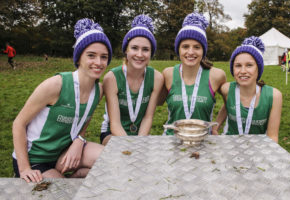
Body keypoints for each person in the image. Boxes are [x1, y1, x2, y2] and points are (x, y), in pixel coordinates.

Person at [12, 18, 112, 183]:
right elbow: (18, 123)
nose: (98, 62)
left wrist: (79, 141)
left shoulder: (99, 90)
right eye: (91, 55)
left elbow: (83, 119)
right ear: (79, 58)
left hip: (63, 152)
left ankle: (77, 175)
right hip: (36, 159)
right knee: (63, 192)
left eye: (104, 57)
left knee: (111, 160)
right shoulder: (56, 85)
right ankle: (67, 179)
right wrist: (24, 168)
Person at [100, 15, 164, 145]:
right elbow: (115, 124)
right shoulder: (111, 78)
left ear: (151, 53)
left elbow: (148, 117)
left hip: (141, 134)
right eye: (134, 48)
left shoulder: (157, 78)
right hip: (113, 134)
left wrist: (139, 142)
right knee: (122, 154)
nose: (139, 54)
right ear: (126, 51)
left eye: (145, 49)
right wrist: (132, 146)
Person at [159, 12, 226, 135]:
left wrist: (216, 126)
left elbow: (232, 101)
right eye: (185, 46)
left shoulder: (216, 75)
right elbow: (155, 102)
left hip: (203, 141)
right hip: (172, 141)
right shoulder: (168, 74)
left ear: (203, 50)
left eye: (197, 47)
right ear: (178, 49)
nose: (190, 52)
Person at [212, 36, 282, 143]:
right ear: (233, 69)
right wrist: (215, 126)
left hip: (257, 149)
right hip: (228, 146)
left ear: (258, 69)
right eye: (238, 66)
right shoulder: (226, 89)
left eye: (249, 65)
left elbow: (273, 136)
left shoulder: (273, 96)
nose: (243, 71)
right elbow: (227, 105)